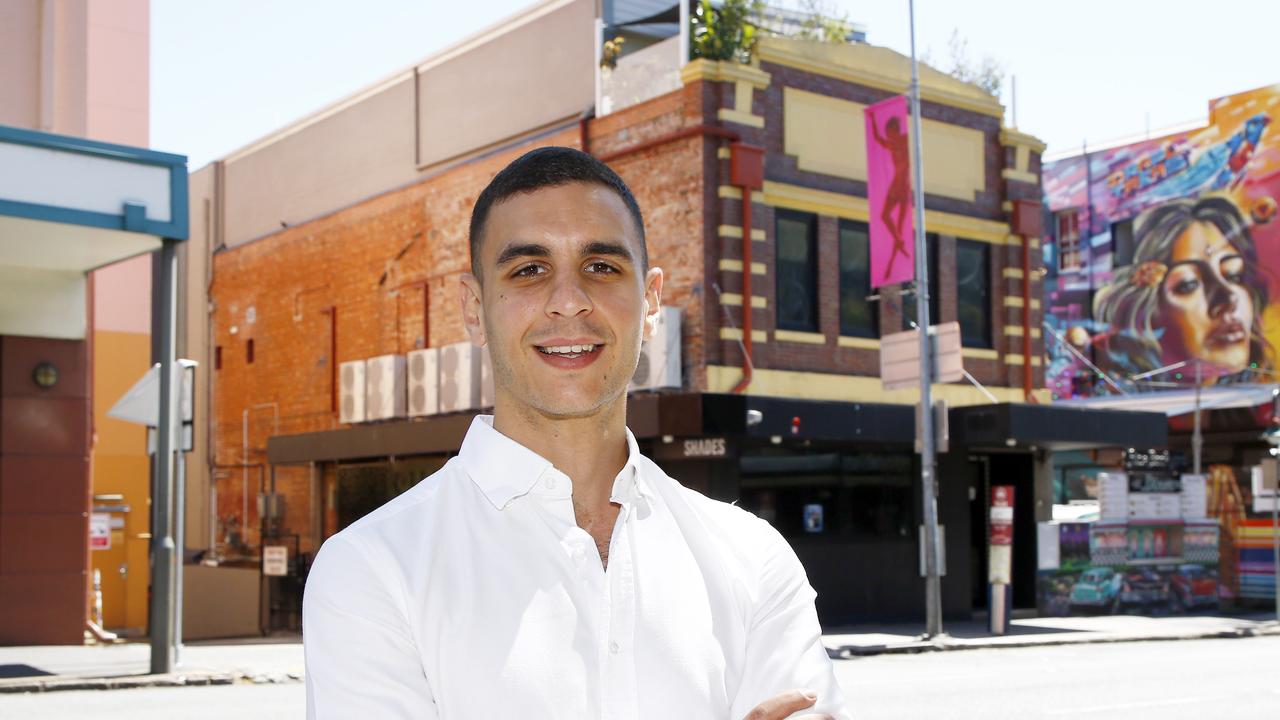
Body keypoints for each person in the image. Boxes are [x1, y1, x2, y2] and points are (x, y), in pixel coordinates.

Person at [303, 146, 850, 719]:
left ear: (651, 299)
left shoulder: (754, 558)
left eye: (602, 266)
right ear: (473, 307)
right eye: (529, 270)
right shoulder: (372, 569)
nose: (569, 302)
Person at [1093, 195, 1271, 383]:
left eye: (1234, 276)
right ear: (1144, 313)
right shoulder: (1124, 394)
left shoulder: (1256, 403)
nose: (1229, 298)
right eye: (1189, 284)